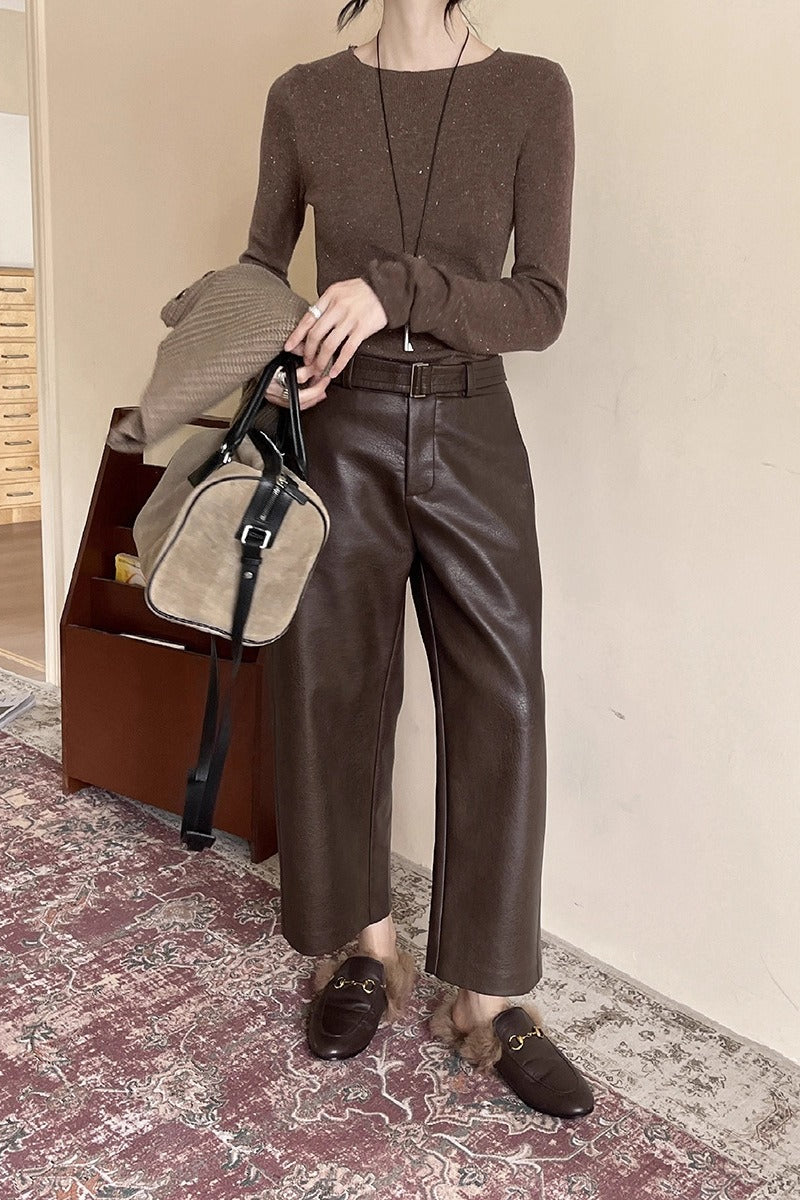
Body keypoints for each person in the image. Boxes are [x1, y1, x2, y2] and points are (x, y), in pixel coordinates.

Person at [238, 0, 594, 1118]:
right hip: (340, 429)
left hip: (472, 429)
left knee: (503, 698)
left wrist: (398, 288)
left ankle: (486, 996)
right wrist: (279, 352)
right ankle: (366, 947)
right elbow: (259, 269)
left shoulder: (531, 89)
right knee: (330, 689)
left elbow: (540, 305)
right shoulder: (303, 97)